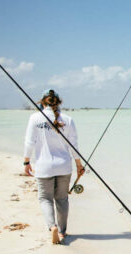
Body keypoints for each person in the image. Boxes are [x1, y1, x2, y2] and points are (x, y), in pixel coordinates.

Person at [23, 89, 84, 244]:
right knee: (62, 199)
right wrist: (79, 165)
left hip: (44, 167)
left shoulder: (35, 118)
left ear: (43, 102)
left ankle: (52, 227)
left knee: (45, 198)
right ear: (59, 102)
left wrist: (26, 161)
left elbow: (30, 142)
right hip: (64, 166)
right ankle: (62, 233)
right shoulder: (68, 119)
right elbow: (74, 146)